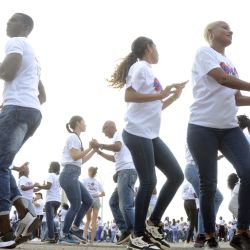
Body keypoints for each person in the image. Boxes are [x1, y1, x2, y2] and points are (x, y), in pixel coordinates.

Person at [108, 36, 186, 250]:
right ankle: (137, 235)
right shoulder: (140, 66)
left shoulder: (148, 71)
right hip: (136, 133)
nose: (158, 51)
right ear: (148, 48)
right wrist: (161, 93)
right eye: (156, 46)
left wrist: (172, 97)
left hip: (150, 134)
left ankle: (153, 223)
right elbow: (129, 96)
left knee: (177, 175)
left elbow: (154, 107)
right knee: (149, 182)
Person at [187, 21, 250, 249]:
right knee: (208, 184)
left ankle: (242, 232)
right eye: (224, 28)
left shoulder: (231, 64)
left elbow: (238, 98)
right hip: (202, 127)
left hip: (229, 128)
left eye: (231, 28)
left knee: (249, 171)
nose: (230, 30)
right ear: (211, 33)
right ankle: (209, 233)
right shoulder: (204, 52)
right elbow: (222, 79)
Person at [0, 12, 46, 248]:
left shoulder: (15, 42)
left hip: (17, 109)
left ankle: (4, 232)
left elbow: (7, 72)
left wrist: (11, 106)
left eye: (13, 20)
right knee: (3, 164)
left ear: (25, 26)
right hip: (32, 112)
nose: (8, 23)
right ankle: (24, 214)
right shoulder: (35, 58)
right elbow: (43, 96)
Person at [90, 120, 137, 245]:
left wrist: (100, 145)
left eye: (104, 131)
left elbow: (117, 147)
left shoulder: (119, 133)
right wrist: (98, 152)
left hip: (126, 172)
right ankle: (125, 230)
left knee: (126, 205)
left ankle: (136, 233)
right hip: (124, 173)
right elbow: (114, 158)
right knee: (113, 202)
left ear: (110, 127)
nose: (105, 134)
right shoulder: (117, 139)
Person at [58, 116, 94, 245]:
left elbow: (80, 161)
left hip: (73, 173)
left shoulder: (77, 139)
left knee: (88, 200)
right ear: (78, 123)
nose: (86, 124)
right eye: (84, 122)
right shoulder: (73, 137)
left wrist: (93, 150)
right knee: (75, 205)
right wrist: (90, 147)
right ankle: (64, 235)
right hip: (69, 173)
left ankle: (74, 228)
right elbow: (74, 156)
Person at [184, 145, 223, 248]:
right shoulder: (197, 133)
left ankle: (205, 229)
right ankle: (202, 234)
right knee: (206, 201)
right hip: (194, 169)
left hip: (197, 169)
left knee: (217, 198)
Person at [37, 162, 61, 243]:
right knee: (52, 219)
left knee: (49, 219)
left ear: (51, 167)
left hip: (50, 200)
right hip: (57, 201)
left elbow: (48, 186)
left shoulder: (50, 175)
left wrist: (39, 185)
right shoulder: (58, 177)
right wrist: (42, 186)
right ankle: (56, 234)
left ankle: (51, 237)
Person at [82, 166, 105, 243]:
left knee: (88, 220)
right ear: (95, 173)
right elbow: (103, 193)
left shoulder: (84, 180)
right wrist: (98, 195)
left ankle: (84, 238)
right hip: (96, 200)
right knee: (94, 221)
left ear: (88, 171)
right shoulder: (98, 182)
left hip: (88, 199)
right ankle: (92, 240)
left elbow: (81, 190)